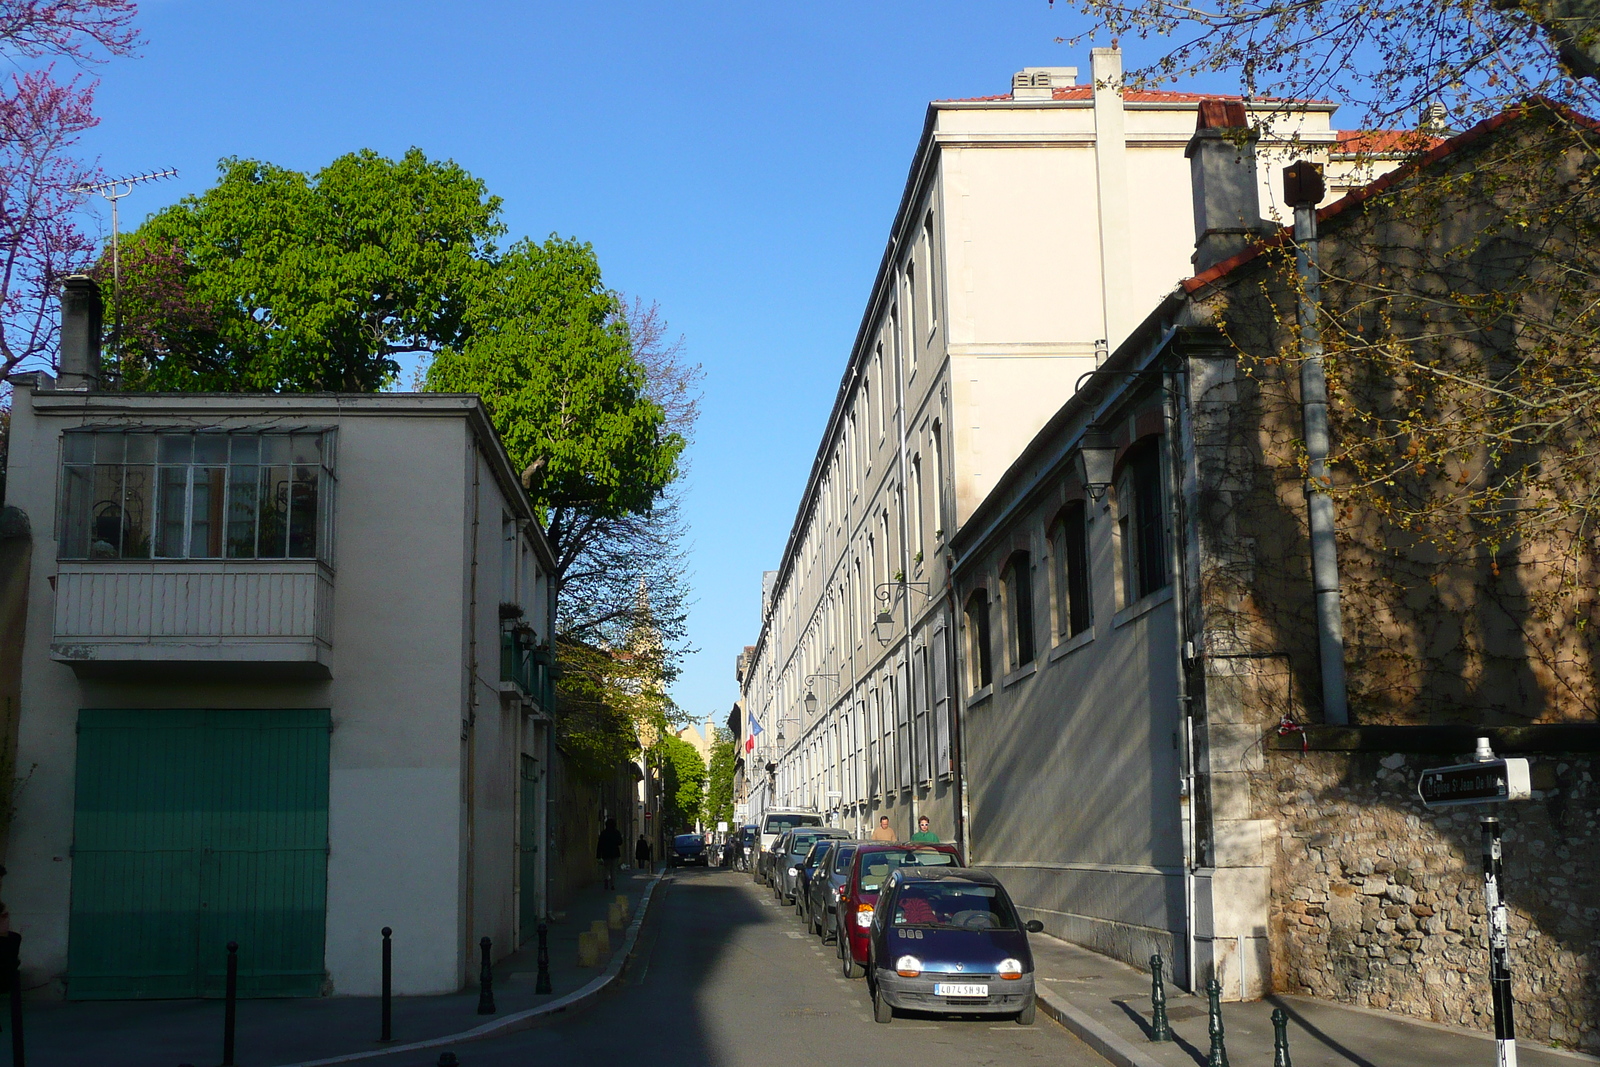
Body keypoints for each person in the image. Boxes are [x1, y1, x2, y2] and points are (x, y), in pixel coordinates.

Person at [597, 818, 624, 889]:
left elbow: (600, 844)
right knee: (613, 869)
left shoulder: (603, 833)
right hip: (615, 853)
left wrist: (598, 855)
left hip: (605, 853)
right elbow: (620, 842)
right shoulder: (616, 832)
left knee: (606, 868)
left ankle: (606, 879)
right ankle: (612, 884)